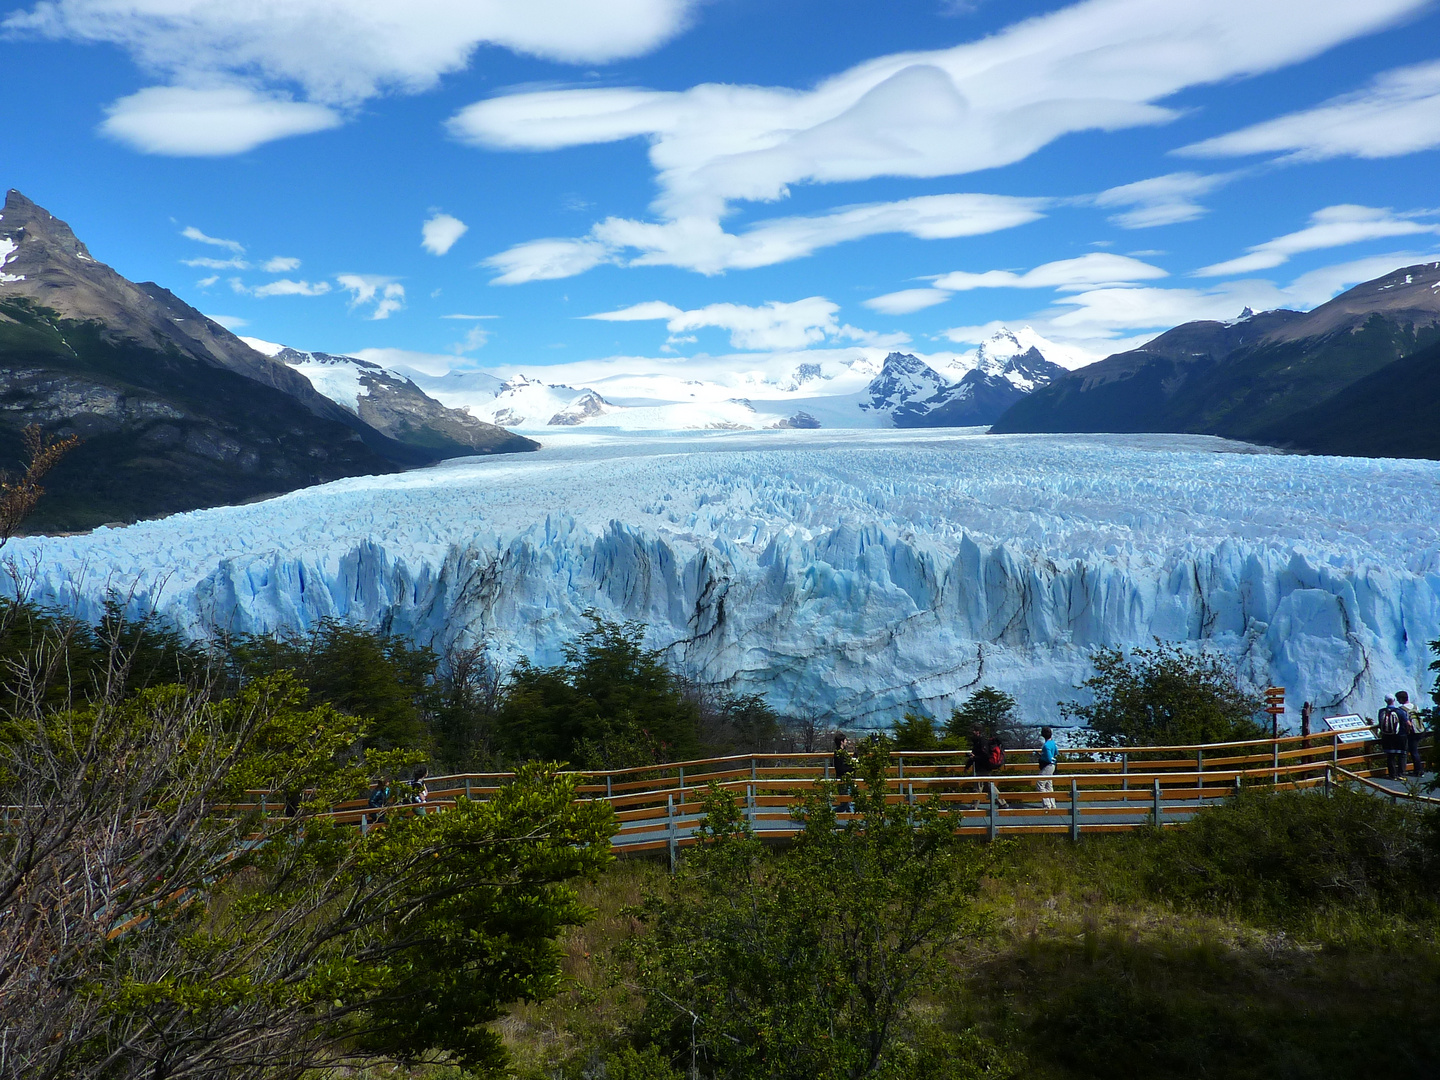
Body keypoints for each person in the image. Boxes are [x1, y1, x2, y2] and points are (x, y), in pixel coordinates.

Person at [1396, 691, 1424, 778]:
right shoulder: (1415, 707)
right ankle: (1418, 770)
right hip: (1419, 731)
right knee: (1415, 751)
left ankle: (1418, 771)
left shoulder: (1401, 709)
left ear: (1401, 699)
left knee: (1413, 752)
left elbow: (1406, 723)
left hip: (1411, 733)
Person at [1378, 696, 1404, 780]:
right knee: (1401, 755)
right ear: (1394, 700)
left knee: (1390, 756)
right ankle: (1400, 774)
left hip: (1386, 737)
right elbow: (1406, 723)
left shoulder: (1381, 711)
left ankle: (1392, 775)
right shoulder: (1400, 711)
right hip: (1399, 737)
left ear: (1385, 701)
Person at [833, 733, 856, 815]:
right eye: (845, 740)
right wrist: (853, 767)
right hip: (843, 780)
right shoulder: (839, 753)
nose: (847, 742)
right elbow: (841, 769)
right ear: (841, 742)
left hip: (845, 779)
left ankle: (828, 815)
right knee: (848, 803)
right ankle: (853, 821)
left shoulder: (842, 752)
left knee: (845, 804)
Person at [1037, 726, 1059, 810]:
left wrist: (1042, 756)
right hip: (1053, 766)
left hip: (1048, 765)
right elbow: (1056, 752)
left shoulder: (1046, 746)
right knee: (1048, 785)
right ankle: (1052, 804)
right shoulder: (1052, 743)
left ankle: (1047, 804)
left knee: (1040, 783)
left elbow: (1049, 758)